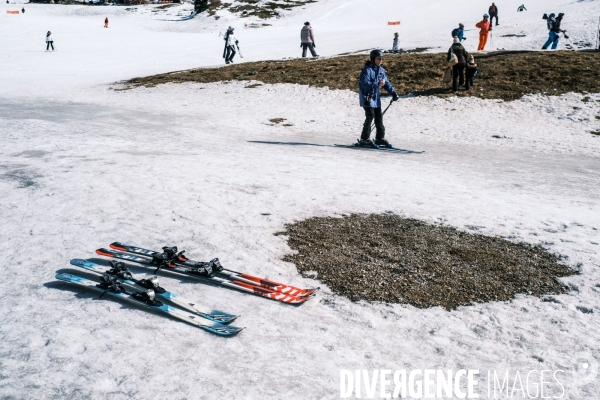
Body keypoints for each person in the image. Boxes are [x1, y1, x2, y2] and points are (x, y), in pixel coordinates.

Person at [357, 50, 399, 148]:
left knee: (379, 117)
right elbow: (364, 83)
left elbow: (386, 83)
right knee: (370, 115)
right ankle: (364, 139)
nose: (380, 61)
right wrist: (377, 84)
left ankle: (379, 138)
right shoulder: (367, 70)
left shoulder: (381, 71)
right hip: (367, 97)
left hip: (376, 99)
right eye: (378, 59)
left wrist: (393, 93)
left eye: (381, 59)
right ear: (373, 59)